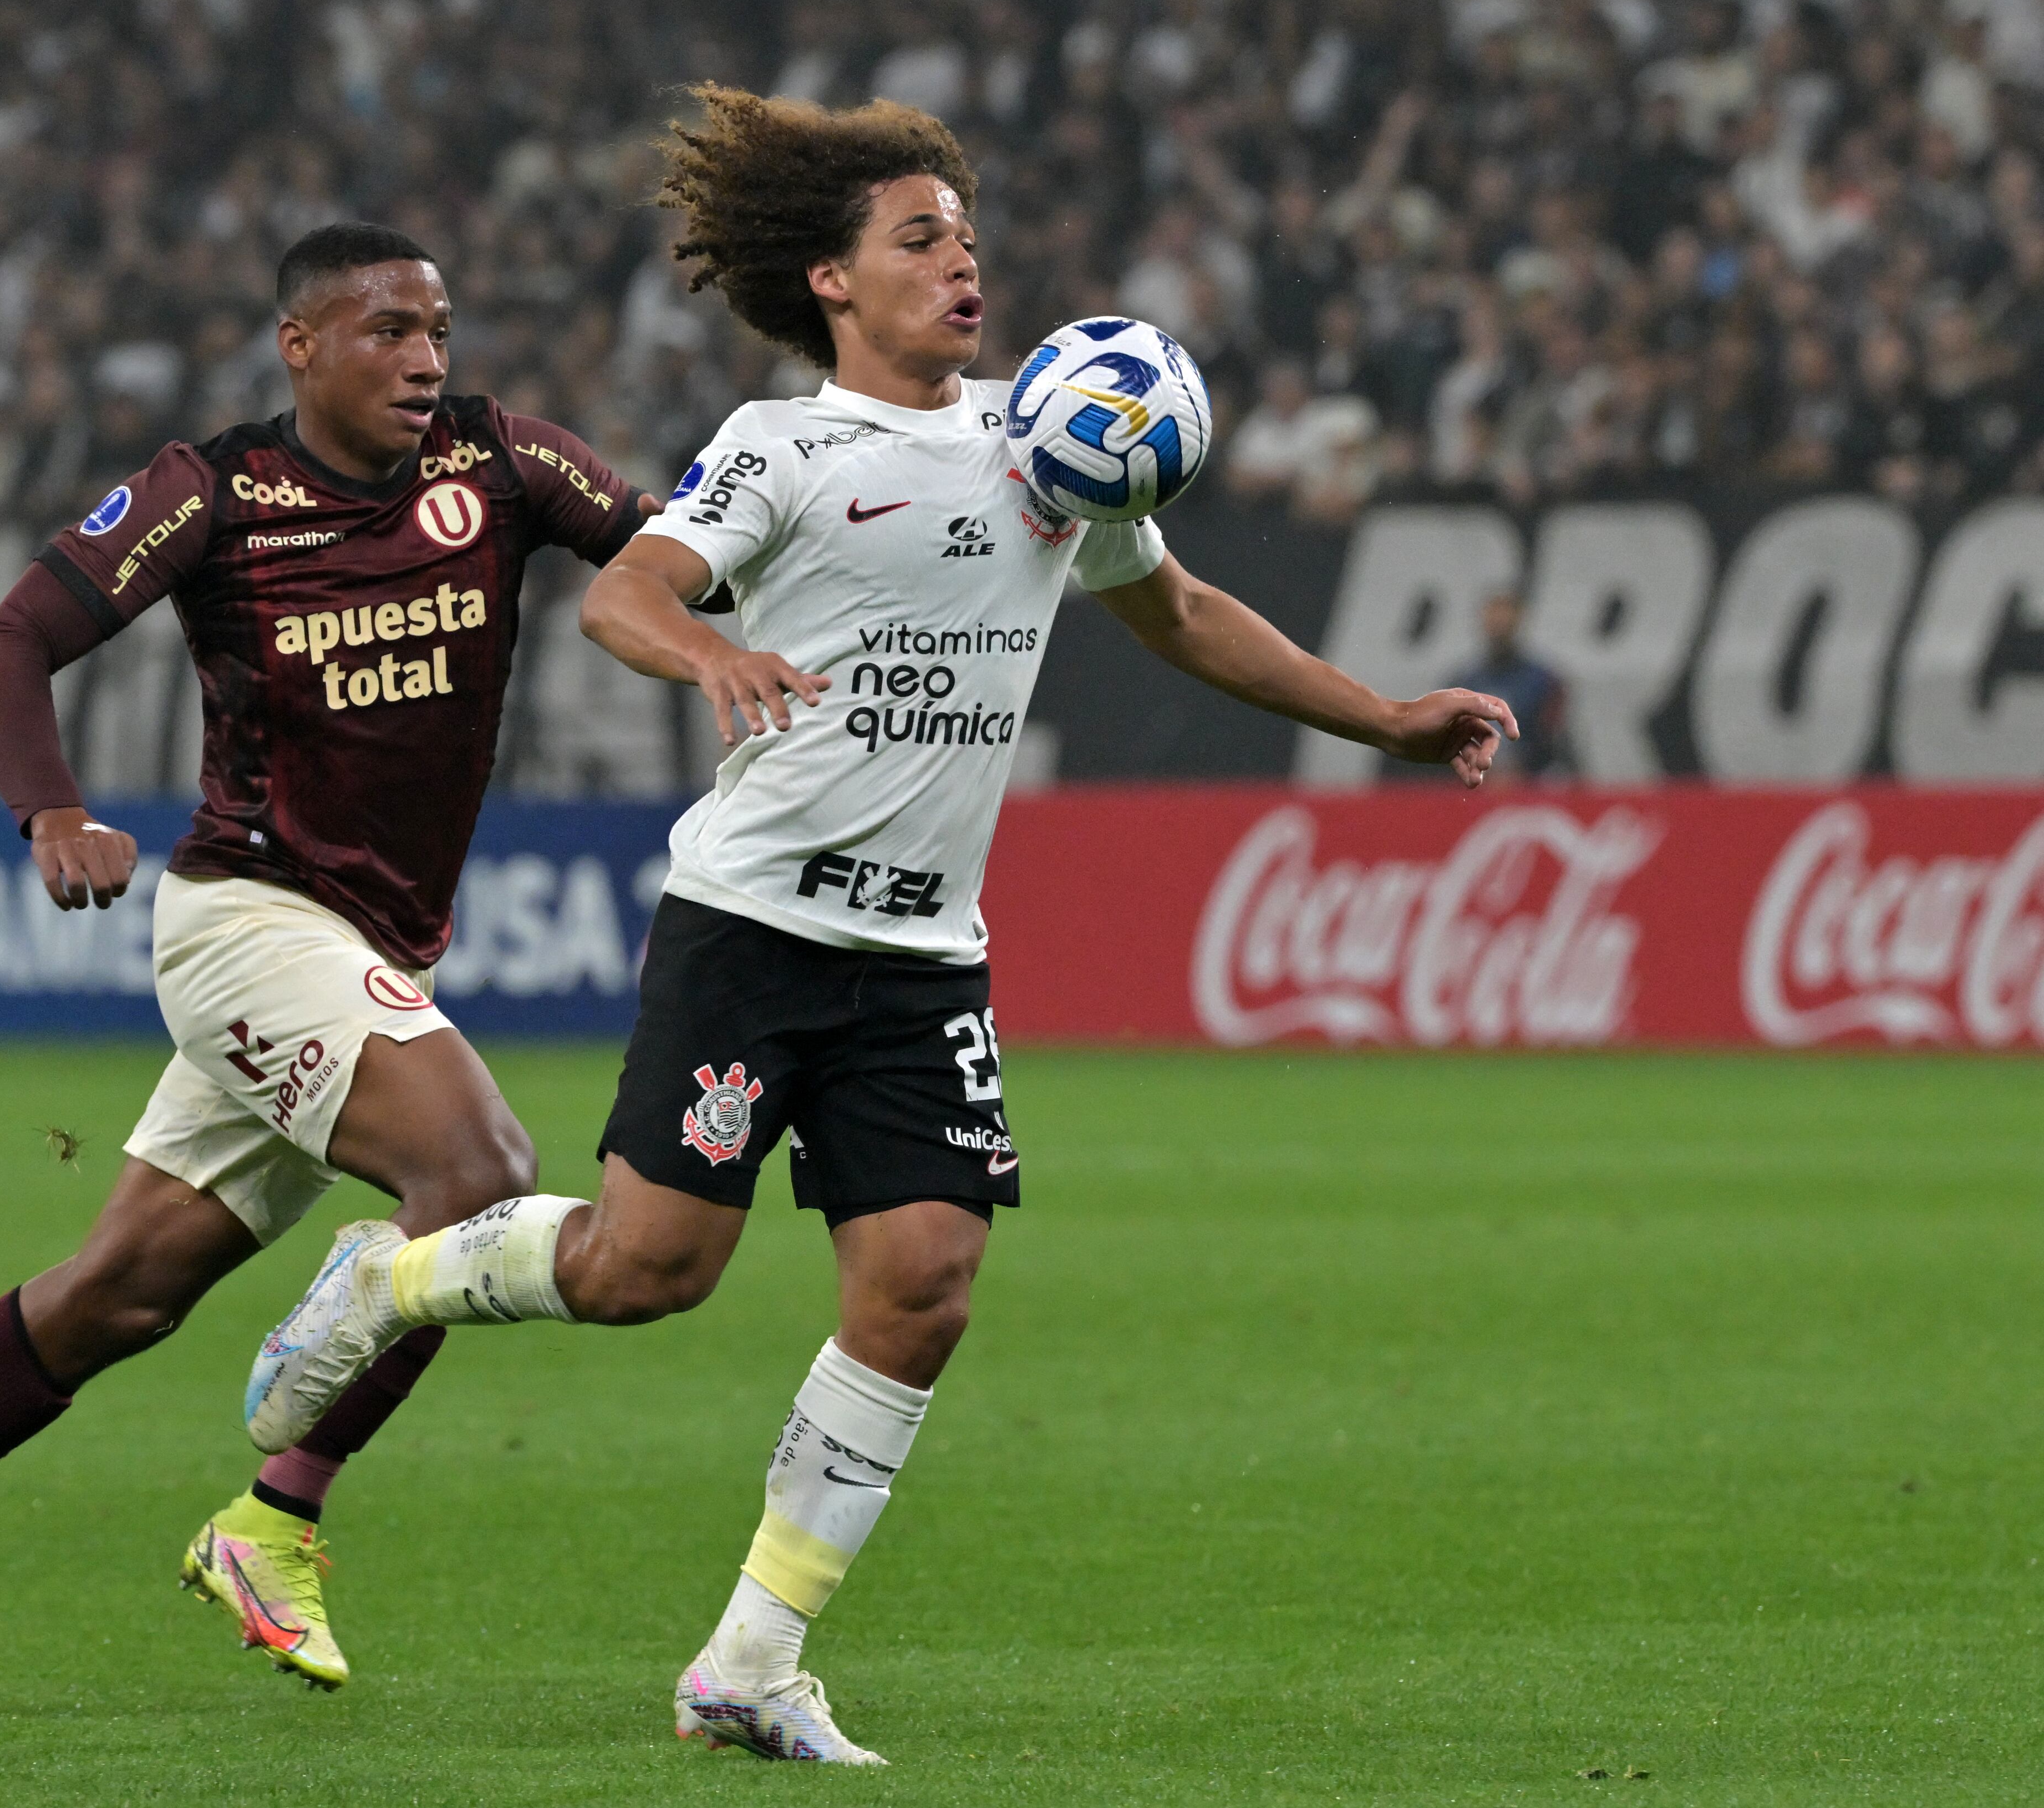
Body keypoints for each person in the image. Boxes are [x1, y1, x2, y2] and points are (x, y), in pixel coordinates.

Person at [239, 88, 1517, 1765]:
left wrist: (1380, 721)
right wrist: (713, 656)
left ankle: (750, 1662)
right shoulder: (786, 449)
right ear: (834, 282)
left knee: (922, 1279)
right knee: (647, 1273)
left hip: (923, 955)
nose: (959, 264)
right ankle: (387, 1282)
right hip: (753, 926)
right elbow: (630, 591)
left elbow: (1183, 612)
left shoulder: (1054, 441)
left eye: (967, 238)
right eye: (918, 240)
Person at [0, 222, 653, 1714]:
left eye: (439, 329)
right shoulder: (214, 493)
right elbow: (10, 644)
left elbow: (676, 551)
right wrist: (52, 809)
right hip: (246, 922)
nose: (425, 360)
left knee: (119, 1298)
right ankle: (275, 1514)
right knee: (478, 1173)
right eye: (385, 331)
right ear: (300, 346)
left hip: (368, 944)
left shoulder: (505, 466)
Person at [1455, 591, 1568, 780]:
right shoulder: (1464, 683)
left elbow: (1554, 740)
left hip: (1531, 780)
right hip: (1474, 778)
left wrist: (1523, 764)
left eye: (1505, 621)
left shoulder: (1544, 682)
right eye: (1494, 619)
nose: (1499, 626)